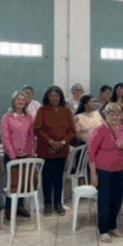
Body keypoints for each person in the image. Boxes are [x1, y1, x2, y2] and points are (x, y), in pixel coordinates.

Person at [88, 103, 123, 243]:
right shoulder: (100, 130)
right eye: (111, 114)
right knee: (105, 200)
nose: (114, 117)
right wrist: (93, 174)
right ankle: (103, 230)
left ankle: (112, 225)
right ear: (105, 116)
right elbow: (91, 154)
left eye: (117, 115)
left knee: (117, 199)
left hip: (122, 169)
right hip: (104, 171)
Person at [34, 86, 75, 216]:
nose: (54, 98)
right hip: (46, 149)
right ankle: (47, 203)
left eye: (57, 96)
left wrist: (62, 142)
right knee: (46, 177)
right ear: (47, 97)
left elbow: (72, 131)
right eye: (51, 95)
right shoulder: (42, 110)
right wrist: (50, 141)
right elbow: (37, 129)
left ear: (60, 97)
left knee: (58, 178)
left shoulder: (66, 111)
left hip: (62, 150)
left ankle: (58, 203)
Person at [1, 90, 35, 219]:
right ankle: (9, 208)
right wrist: (12, 154)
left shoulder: (28, 117)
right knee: (12, 183)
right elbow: (5, 137)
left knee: (23, 182)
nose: (21, 102)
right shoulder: (7, 117)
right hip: (12, 156)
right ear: (14, 101)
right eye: (18, 99)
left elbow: (31, 136)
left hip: (26, 155)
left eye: (23, 99)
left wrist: (32, 151)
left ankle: (20, 206)